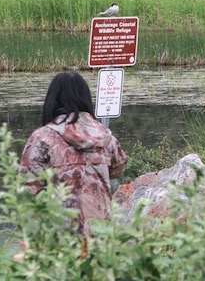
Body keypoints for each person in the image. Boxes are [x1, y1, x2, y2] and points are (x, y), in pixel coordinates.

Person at [20, 71, 128, 235]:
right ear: (85, 98)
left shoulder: (42, 138)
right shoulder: (106, 136)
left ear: (52, 99)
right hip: (100, 231)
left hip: (59, 232)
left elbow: (27, 188)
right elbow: (118, 167)